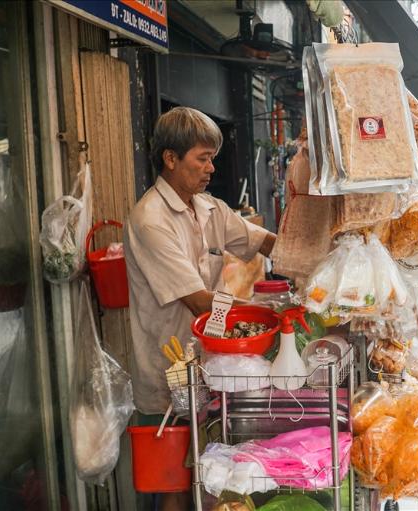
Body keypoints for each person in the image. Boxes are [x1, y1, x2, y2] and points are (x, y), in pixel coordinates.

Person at [124, 107, 276, 510]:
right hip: (169, 371)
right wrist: (263, 314)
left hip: (211, 366)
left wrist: (321, 262)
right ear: (170, 159)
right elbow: (198, 303)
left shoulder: (208, 207)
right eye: (202, 158)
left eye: (213, 158)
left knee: (213, 474)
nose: (211, 168)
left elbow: (262, 241)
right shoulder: (150, 219)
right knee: (177, 483)